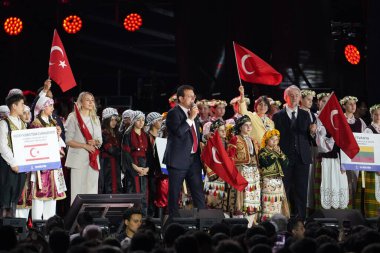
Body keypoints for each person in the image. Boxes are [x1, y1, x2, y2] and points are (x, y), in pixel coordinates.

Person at [272, 85, 316, 219]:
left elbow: (309, 138)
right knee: (284, 189)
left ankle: (301, 219)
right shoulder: (277, 116)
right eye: (291, 95)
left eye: (297, 95)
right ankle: (283, 217)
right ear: (286, 97)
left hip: (302, 157)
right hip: (284, 157)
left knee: (301, 189)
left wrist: (312, 133)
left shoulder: (305, 114)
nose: (295, 98)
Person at [163, 85, 206, 218]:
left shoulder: (193, 113)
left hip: (194, 160)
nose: (193, 99)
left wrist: (205, 137)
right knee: (174, 194)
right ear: (181, 98)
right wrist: (190, 118)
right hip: (178, 160)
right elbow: (179, 133)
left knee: (198, 193)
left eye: (194, 96)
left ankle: (203, 223)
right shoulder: (173, 113)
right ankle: (173, 223)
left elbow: (195, 135)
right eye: (189, 96)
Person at [30, 96, 67, 220]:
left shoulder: (53, 122)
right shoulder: (35, 124)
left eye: (52, 105)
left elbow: (59, 145)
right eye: (50, 105)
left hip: (53, 163)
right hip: (41, 164)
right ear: (42, 107)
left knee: (52, 196)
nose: (52, 108)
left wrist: (57, 135)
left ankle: (49, 224)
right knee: (39, 195)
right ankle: (36, 224)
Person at [65, 92, 102, 204]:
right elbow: (68, 140)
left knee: (91, 190)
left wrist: (95, 141)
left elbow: (100, 140)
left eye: (92, 100)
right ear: (81, 102)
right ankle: (76, 218)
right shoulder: (73, 117)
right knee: (78, 191)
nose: (91, 102)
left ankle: (89, 216)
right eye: (87, 100)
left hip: (93, 158)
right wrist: (84, 145)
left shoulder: (95, 118)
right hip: (78, 159)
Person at [227, 115, 261, 226]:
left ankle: (250, 222)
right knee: (240, 196)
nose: (248, 127)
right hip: (241, 169)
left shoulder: (253, 140)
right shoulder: (235, 139)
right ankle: (239, 222)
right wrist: (232, 172)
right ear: (240, 127)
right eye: (246, 125)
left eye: (250, 125)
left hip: (253, 171)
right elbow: (230, 156)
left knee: (251, 195)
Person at [0, 89, 27, 217]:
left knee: (15, 196)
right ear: (14, 106)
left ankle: (13, 226)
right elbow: (2, 146)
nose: (23, 107)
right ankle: (4, 226)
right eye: (21, 104)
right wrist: (13, 163)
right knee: (6, 197)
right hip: (8, 165)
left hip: (20, 166)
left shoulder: (22, 124)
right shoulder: (4, 123)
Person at [340, 95, 366, 208]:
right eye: (350, 104)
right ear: (344, 105)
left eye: (354, 104)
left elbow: (365, 139)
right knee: (344, 182)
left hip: (355, 156)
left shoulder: (360, 121)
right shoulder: (340, 120)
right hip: (342, 156)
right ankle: (345, 206)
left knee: (355, 181)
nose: (353, 106)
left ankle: (356, 208)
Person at [122, 111, 150, 214]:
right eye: (138, 120)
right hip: (133, 165)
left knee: (144, 190)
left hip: (144, 165)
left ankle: (143, 215)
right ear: (134, 121)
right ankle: (134, 215)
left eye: (143, 120)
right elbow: (126, 153)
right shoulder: (128, 135)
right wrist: (135, 167)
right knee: (134, 189)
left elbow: (150, 154)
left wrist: (147, 168)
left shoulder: (145, 135)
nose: (141, 122)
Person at [258, 129, 289, 221]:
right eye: (272, 140)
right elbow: (266, 162)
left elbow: (286, 163)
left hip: (278, 181)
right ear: (267, 140)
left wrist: (280, 154)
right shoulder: (263, 151)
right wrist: (275, 153)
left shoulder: (278, 151)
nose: (275, 142)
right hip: (268, 181)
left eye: (277, 140)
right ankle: (266, 221)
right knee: (268, 202)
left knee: (277, 202)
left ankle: (277, 220)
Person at [355, 104, 380, 217]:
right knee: (372, 196)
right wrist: (376, 167)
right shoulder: (368, 131)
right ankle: (372, 219)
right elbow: (366, 152)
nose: (378, 117)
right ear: (372, 116)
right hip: (373, 169)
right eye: (376, 114)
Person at [145, 112, 166, 217]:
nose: (161, 122)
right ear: (153, 123)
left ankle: (161, 217)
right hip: (152, 171)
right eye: (159, 120)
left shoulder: (162, 135)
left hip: (162, 171)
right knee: (153, 194)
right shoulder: (147, 136)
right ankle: (152, 217)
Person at [100, 107, 121, 194]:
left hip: (115, 162)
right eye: (111, 120)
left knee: (117, 184)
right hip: (107, 163)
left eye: (115, 120)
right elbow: (111, 150)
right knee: (108, 185)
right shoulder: (103, 133)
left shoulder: (116, 133)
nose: (114, 122)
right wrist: (123, 153)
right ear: (106, 120)